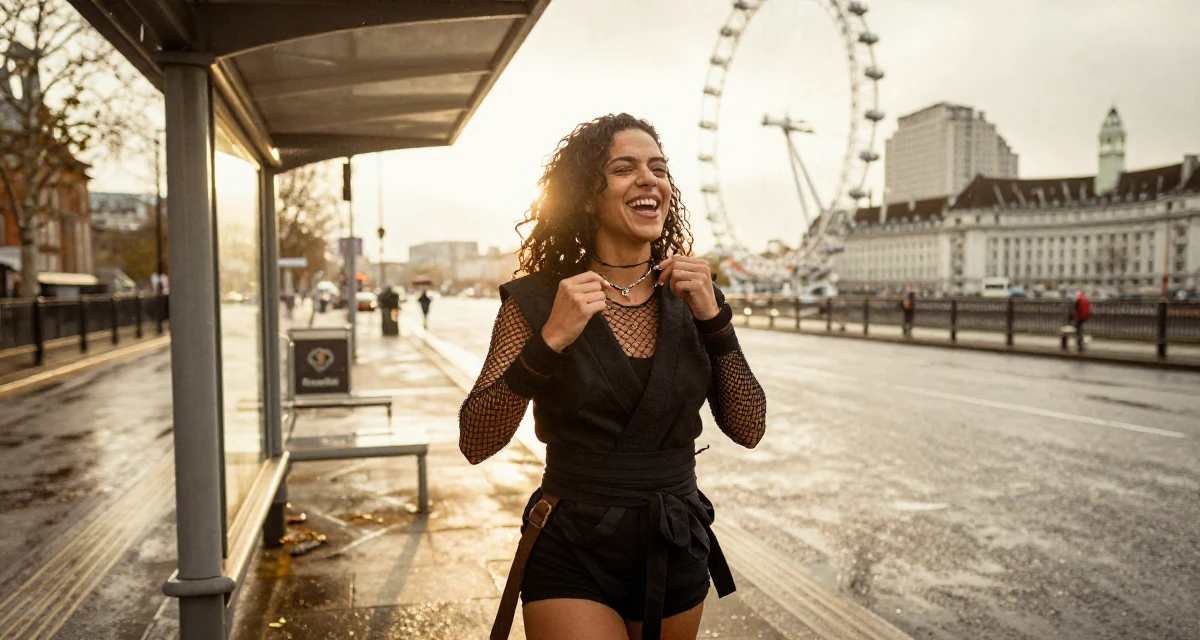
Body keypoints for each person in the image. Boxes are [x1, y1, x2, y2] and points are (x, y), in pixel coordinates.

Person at [459, 114, 767, 640]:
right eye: (624, 168)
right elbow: (476, 440)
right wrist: (549, 341)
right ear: (586, 196)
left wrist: (716, 322)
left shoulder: (695, 297)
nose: (649, 179)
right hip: (571, 543)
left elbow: (749, 427)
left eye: (659, 169)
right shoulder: (539, 300)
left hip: (673, 538)